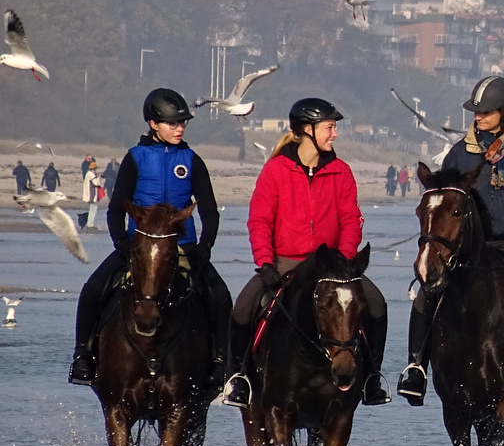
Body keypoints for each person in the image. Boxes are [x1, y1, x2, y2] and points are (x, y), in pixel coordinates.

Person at [396, 75, 504, 405]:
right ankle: (416, 367)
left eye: (484, 112)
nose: (477, 117)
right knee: (426, 293)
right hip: (465, 251)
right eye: (476, 112)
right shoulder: (459, 155)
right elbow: (442, 203)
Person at [221, 97, 390, 408]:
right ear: (307, 130)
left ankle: (372, 378)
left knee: (377, 305)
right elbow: (260, 220)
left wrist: (342, 259)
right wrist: (266, 262)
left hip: (332, 266)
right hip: (286, 262)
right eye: (330, 127)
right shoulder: (275, 171)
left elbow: (351, 219)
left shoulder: (341, 171)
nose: (334, 134)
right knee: (243, 308)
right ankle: (239, 379)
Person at [68, 89, 232, 389]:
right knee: (92, 289)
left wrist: (205, 247)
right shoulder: (135, 158)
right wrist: (122, 244)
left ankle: (220, 364)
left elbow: (209, 211)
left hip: (182, 248)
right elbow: (116, 209)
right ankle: (83, 356)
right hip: (139, 247)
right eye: (173, 123)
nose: (180, 128)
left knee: (221, 296)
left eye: (182, 123)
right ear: (153, 124)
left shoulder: (192, 160)